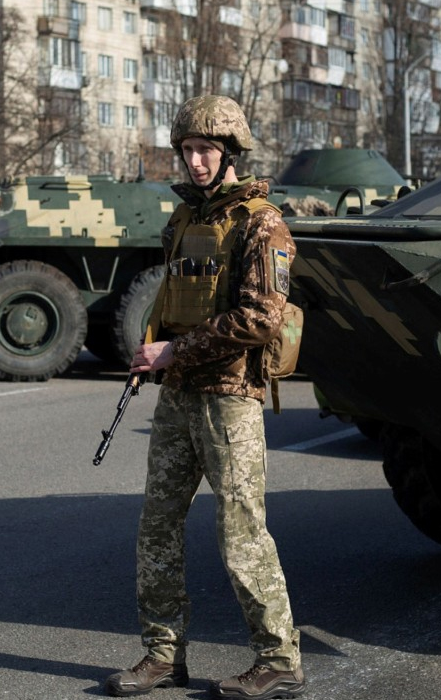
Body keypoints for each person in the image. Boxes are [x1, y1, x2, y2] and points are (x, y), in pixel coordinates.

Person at [104, 95, 306, 700]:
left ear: (230, 154)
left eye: (206, 151)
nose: (195, 161)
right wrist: (152, 353)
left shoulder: (261, 222)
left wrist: (174, 353)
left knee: (242, 531)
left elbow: (261, 318)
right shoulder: (184, 221)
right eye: (188, 149)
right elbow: (172, 301)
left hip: (229, 398)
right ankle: (163, 656)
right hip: (180, 395)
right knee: (157, 526)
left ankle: (279, 659)